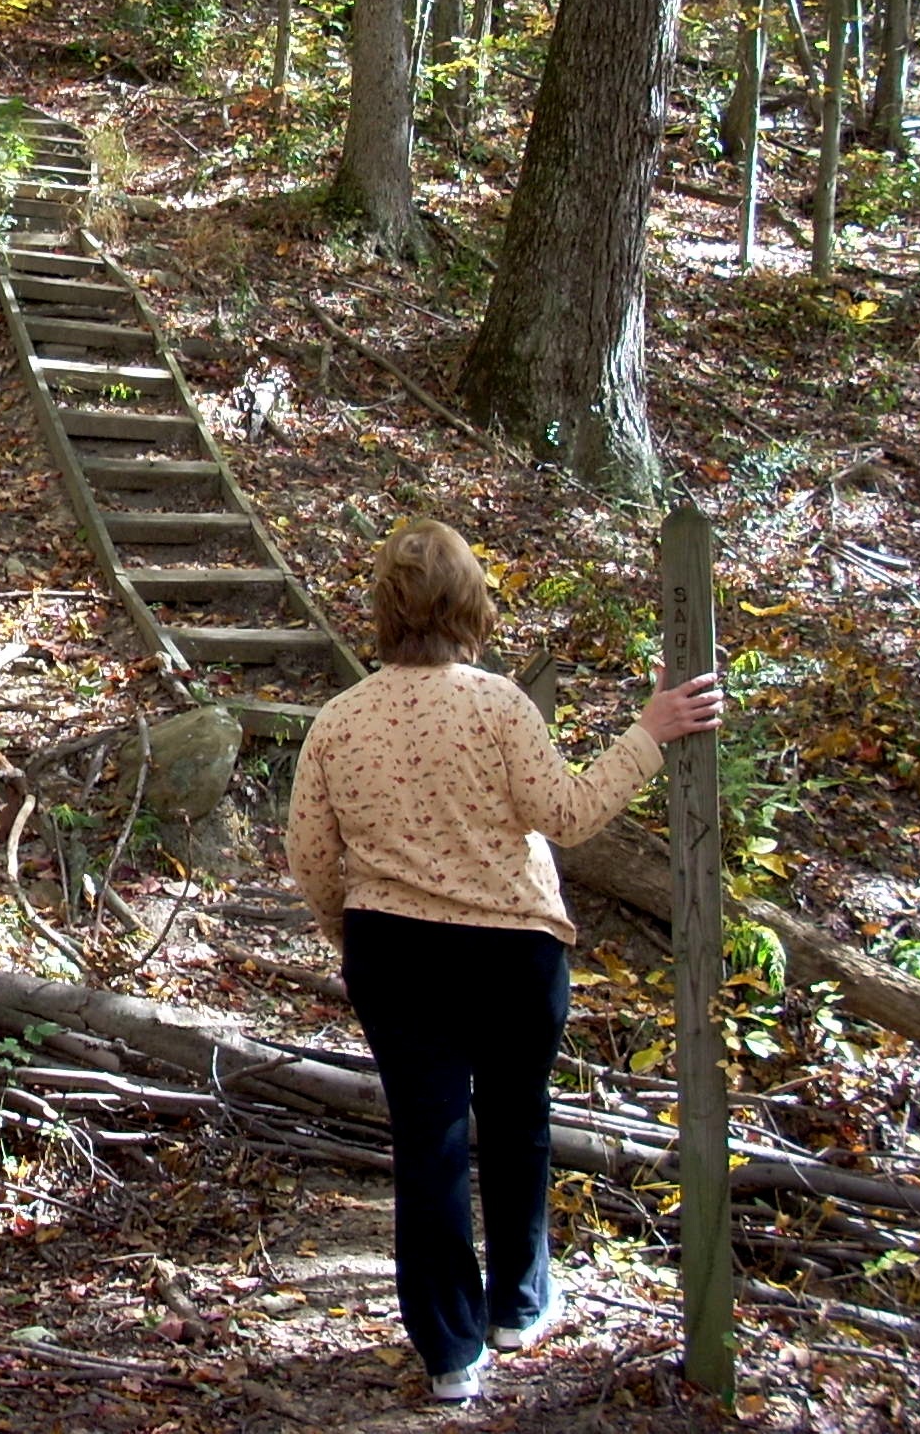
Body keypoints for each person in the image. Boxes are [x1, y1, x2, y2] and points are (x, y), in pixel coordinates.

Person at [285, 519, 722, 1405]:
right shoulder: (498, 704)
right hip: (513, 951)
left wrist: (355, 933)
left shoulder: (338, 720)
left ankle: (450, 1353)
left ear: (385, 611)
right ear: (470, 603)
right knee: (519, 1118)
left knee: (429, 1139)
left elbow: (308, 856)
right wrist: (649, 732)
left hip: (395, 953)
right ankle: (519, 1306)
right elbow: (567, 812)